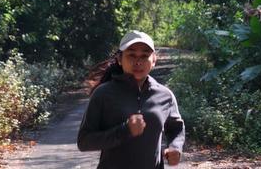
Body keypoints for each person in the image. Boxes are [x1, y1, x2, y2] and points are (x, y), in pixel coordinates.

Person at [77, 30, 185, 169]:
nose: (138, 62)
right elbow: (84, 142)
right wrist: (125, 130)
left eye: (144, 56)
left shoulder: (165, 95)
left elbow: (176, 128)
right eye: (131, 55)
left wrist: (175, 147)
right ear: (119, 59)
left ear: (154, 61)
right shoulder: (103, 94)